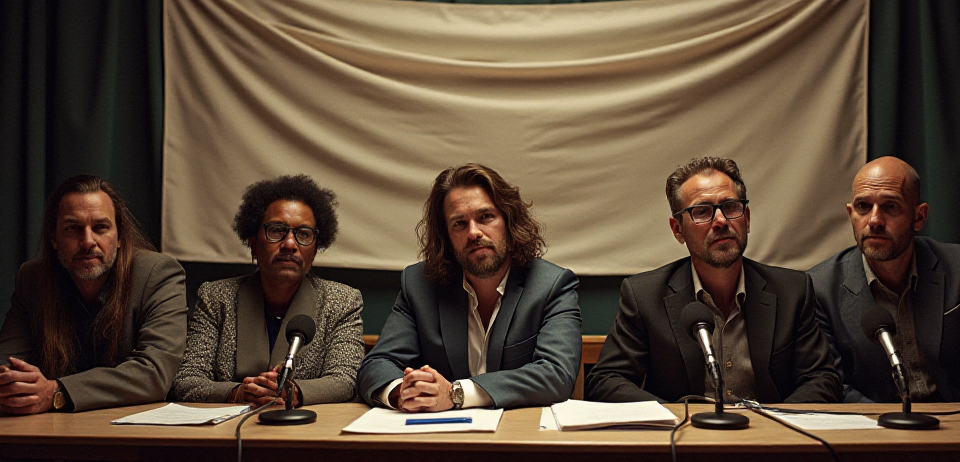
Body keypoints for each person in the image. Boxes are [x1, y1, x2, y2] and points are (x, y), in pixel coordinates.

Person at [587, 157, 841, 404]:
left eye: (730, 207)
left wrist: (779, 425)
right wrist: (675, 418)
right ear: (678, 230)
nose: (720, 221)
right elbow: (607, 381)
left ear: (747, 219)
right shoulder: (644, 296)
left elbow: (822, 380)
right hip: (685, 438)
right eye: (702, 211)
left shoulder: (792, 291)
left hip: (768, 438)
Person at [808, 156, 960, 421]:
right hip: (873, 426)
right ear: (851, 214)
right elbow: (832, 383)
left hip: (957, 421)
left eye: (890, 206)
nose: (874, 220)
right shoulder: (819, 287)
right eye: (863, 206)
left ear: (919, 216)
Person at [357, 163, 581, 411]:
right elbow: (378, 364)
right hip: (442, 439)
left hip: (519, 438)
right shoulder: (419, 285)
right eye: (459, 224)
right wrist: (406, 392)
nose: (474, 232)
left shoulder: (551, 285)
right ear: (447, 236)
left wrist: (456, 394)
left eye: (486, 217)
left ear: (508, 220)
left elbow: (557, 375)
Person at [0, 175, 187, 414]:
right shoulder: (32, 278)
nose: (88, 241)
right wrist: (13, 384)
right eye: (72, 228)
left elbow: (154, 373)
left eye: (100, 227)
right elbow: (7, 362)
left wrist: (56, 392)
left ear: (120, 237)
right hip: (50, 432)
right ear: (53, 238)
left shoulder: (157, 274)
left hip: (134, 434)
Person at [172, 175, 363, 406]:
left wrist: (291, 392)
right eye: (276, 230)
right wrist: (237, 393)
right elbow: (186, 381)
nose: (290, 244)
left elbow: (345, 381)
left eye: (303, 234)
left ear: (315, 248)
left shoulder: (341, 301)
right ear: (253, 241)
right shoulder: (216, 297)